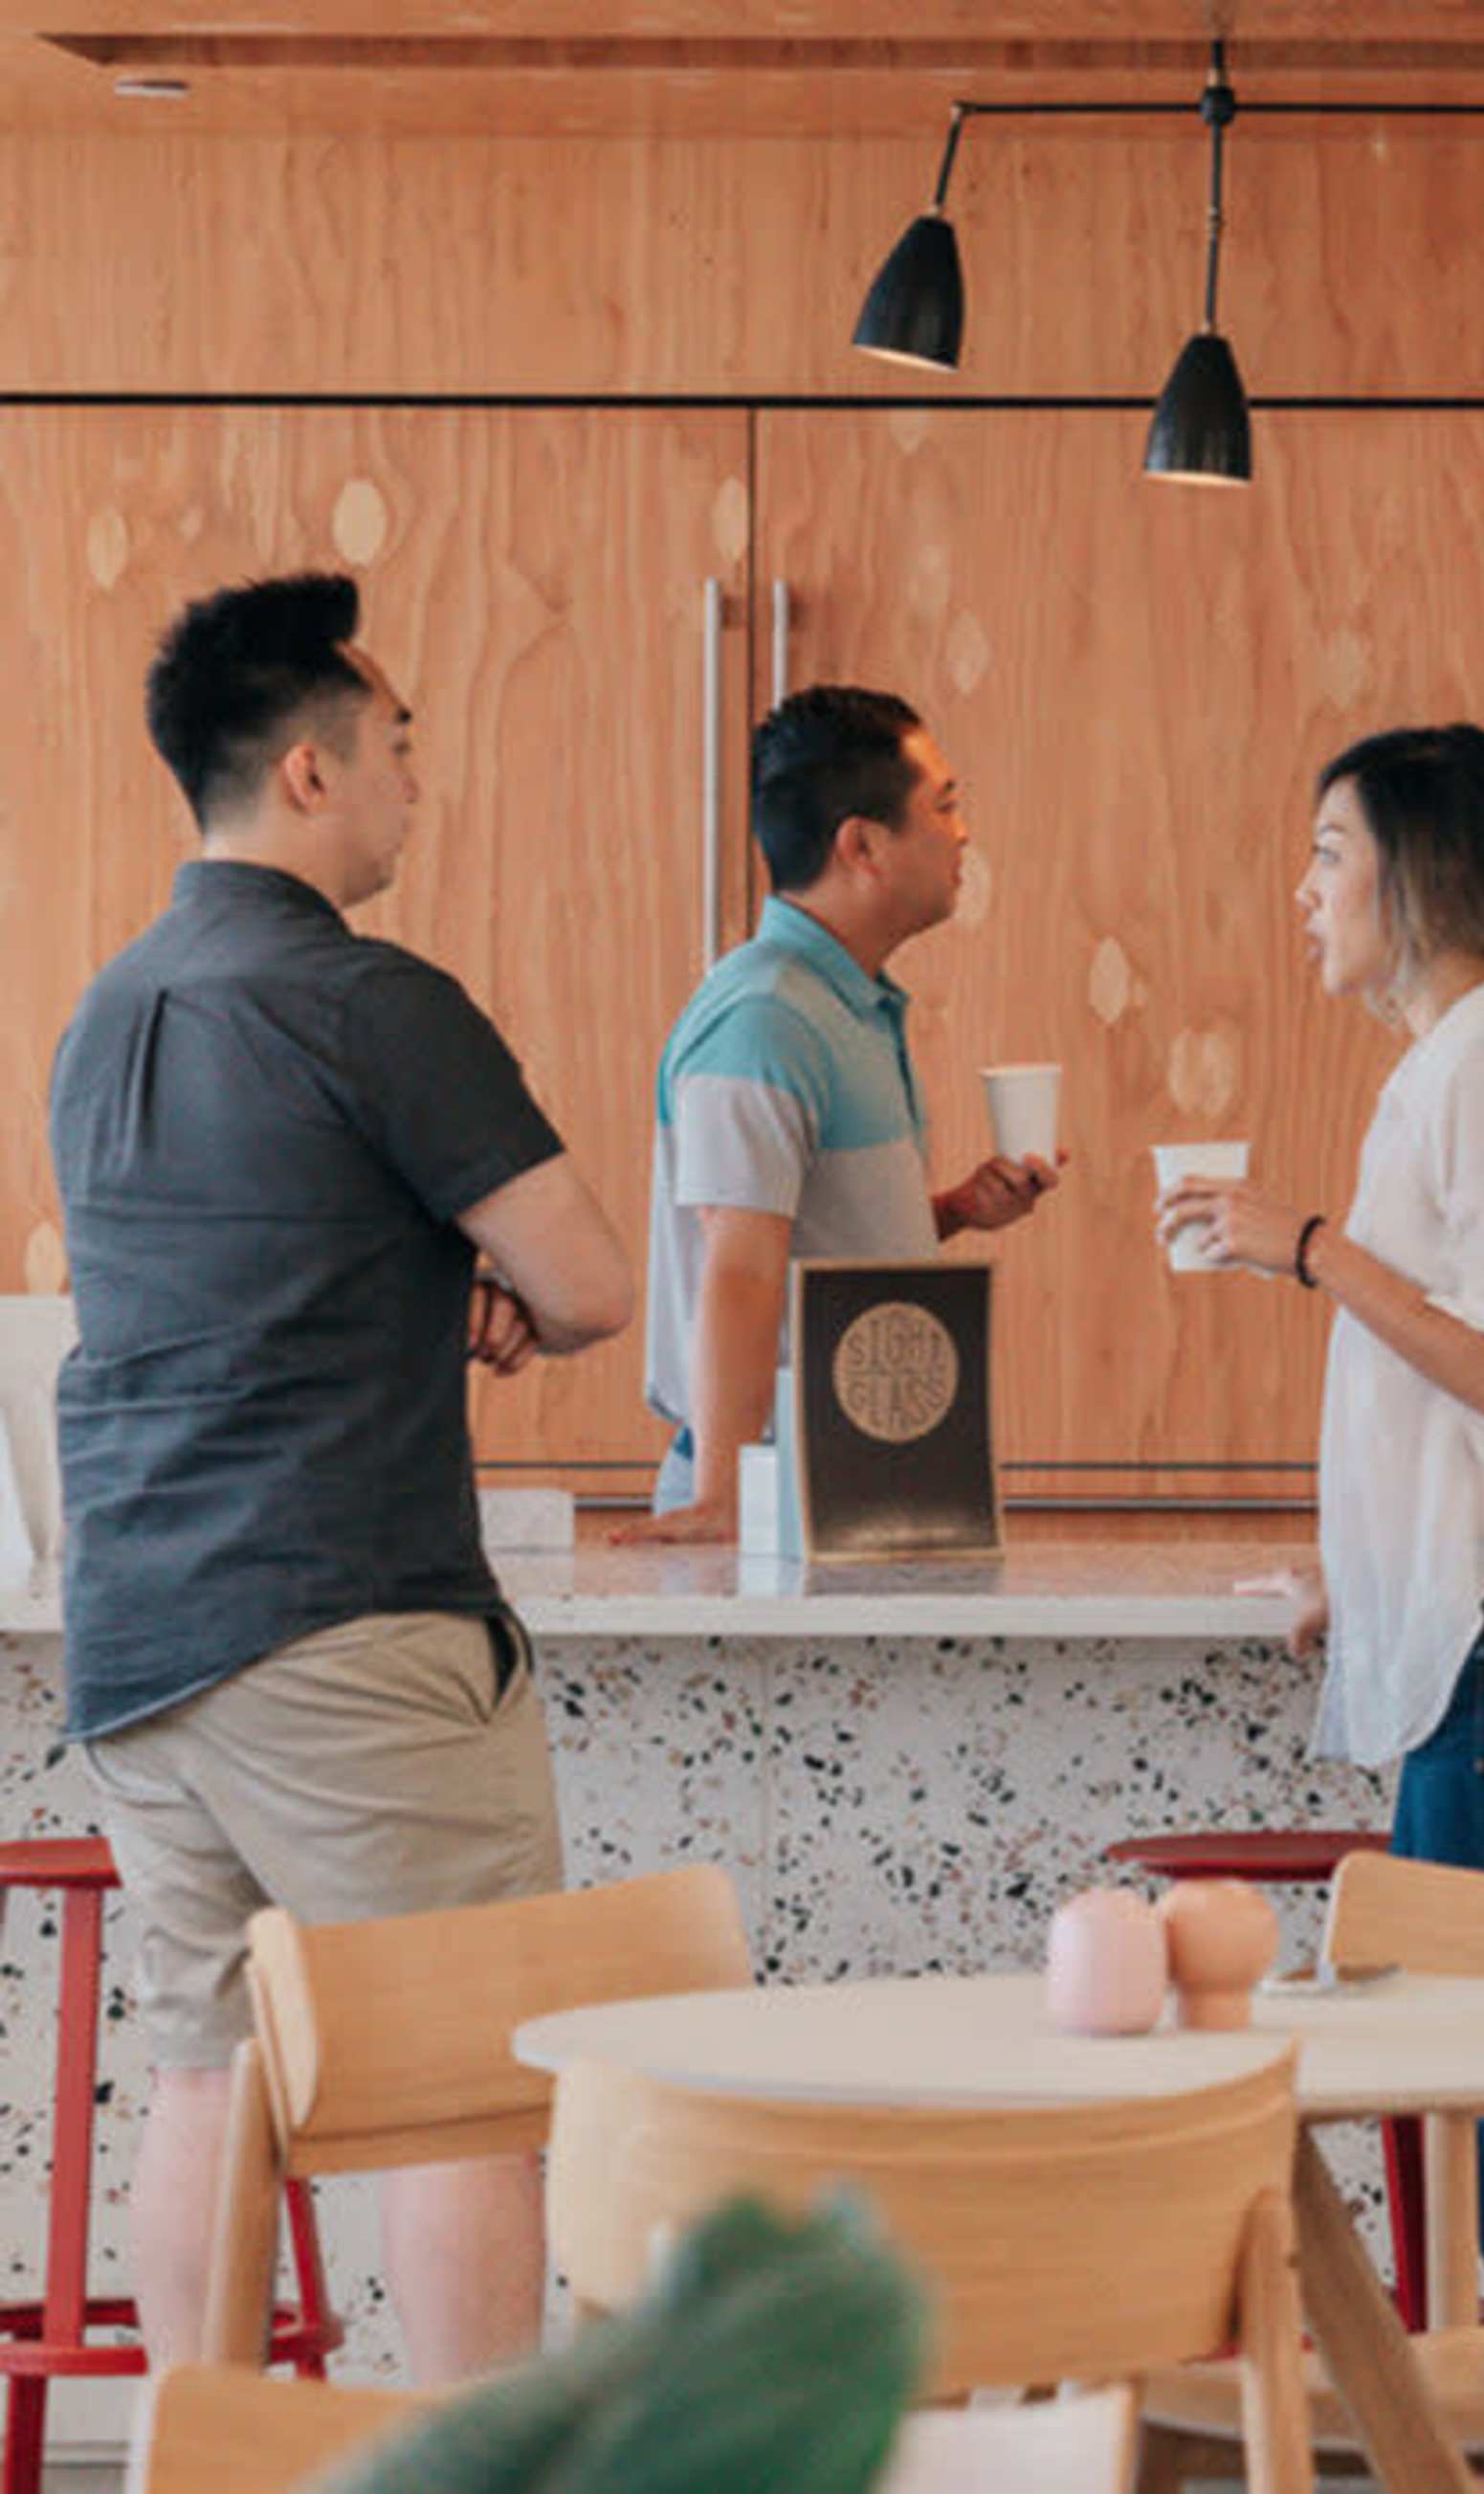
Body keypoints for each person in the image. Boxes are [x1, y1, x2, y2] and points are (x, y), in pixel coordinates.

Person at [53, 572, 637, 2377]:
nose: (414, 781)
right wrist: (487, 1280)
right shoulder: (372, 999)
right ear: (307, 770)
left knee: (209, 2072)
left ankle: (199, 2468)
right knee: (466, 2085)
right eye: (396, 744)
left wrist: (424, 1278)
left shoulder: (106, 1014)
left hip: (140, 1638)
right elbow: (591, 1284)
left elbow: (254, 1268)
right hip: (345, 1620)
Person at [1157, 722, 1484, 2345]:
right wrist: (1369, 1569)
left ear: (1421, 873)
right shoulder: (1461, 1064)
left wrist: (1308, 1246)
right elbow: (1466, 1393)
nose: (1304, 890)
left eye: (1330, 853)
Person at [621, 686, 1058, 1541]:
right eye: (944, 807)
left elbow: (801, 1254)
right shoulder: (765, 1019)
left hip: (854, 1482)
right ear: (862, 845)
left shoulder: (844, 1005)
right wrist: (724, 1500)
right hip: (772, 1491)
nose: (963, 834)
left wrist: (952, 1212)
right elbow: (739, 1270)